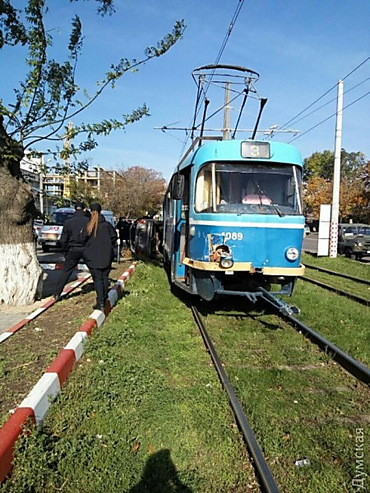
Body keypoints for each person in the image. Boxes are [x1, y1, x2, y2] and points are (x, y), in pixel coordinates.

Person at [82, 203, 117, 311]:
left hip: (92, 257)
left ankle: (100, 302)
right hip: (106, 256)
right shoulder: (107, 225)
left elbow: (82, 239)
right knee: (104, 278)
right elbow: (114, 238)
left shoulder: (88, 226)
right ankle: (104, 298)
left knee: (97, 279)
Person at [53, 202, 89, 301]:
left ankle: (57, 293)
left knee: (66, 271)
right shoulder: (88, 221)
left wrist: (65, 252)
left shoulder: (68, 222)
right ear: (84, 209)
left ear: (74, 210)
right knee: (94, 270)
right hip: (86, 248)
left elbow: (63, 240)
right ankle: (102, 290)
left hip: (73, 249)